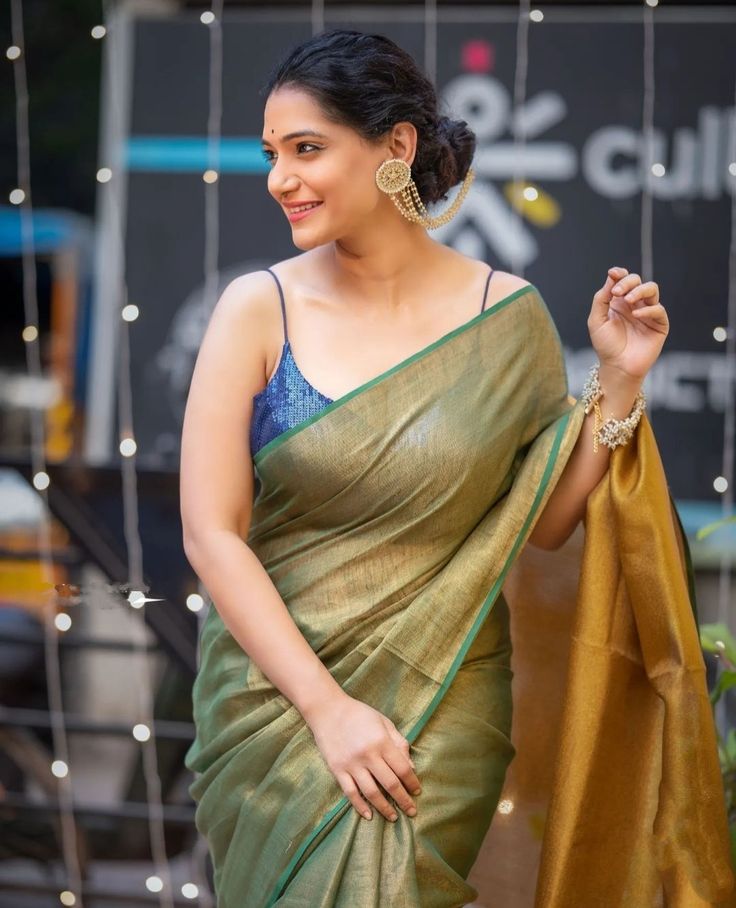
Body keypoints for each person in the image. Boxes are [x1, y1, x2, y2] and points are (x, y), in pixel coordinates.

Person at [180, 28, 734, 908]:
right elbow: (213, 537)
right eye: (272, 154)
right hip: (275, 707)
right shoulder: (260, 308)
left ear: (395, 145)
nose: (280, 177)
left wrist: (620, 381)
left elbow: (540, 521)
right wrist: (329, 712)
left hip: (443, 705)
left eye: (307, 149)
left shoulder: (504, 315)